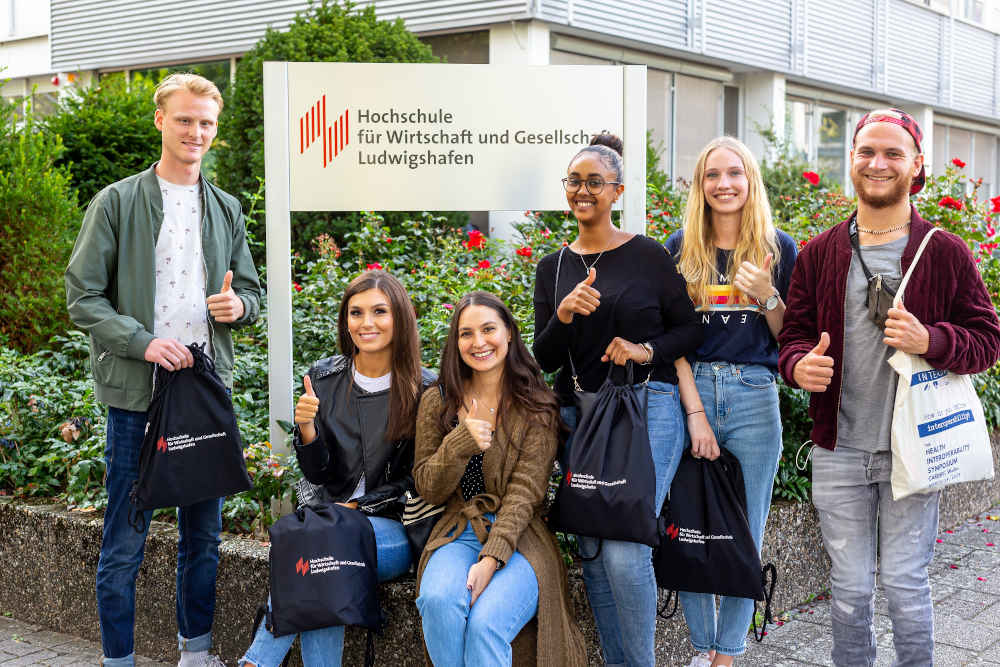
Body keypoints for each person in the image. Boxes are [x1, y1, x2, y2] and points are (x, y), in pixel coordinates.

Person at [778, 108, 1000, 666]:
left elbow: (987, 341)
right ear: (851, 161)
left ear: (917, 164)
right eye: (867, 152)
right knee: (850, 591)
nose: (878, 163)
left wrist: (934, 339)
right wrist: (798, 365)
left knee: (905, 586)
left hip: (916, 447)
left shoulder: (944, 251)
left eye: (893, 153)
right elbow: (795, 336)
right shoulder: (821, 251)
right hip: (840, 449)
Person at [64, 73, 261, 667]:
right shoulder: (118, 201)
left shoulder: (226, 208)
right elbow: (82, 296)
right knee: (126, 542)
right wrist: (142, 341)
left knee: (203, 539)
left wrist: (240, 306)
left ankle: (195, 655)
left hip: (203, 392)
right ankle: (117, 660)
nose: (195, 131)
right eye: (184, 119)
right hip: (136, 396)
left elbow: (251, 291)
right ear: (160, 121)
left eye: (205, 122)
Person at [532, 133, 703, 667]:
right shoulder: (553, 267)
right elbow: (543, 356)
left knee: (627, 549)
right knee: (593, 552)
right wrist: (563, 315)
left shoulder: (648, 256)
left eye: (595, 183)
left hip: (647, 406)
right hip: (581, 415)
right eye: (575, 182)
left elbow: (689, 331)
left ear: (617, 191)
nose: (583, 192)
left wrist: (643, 348)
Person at [241, 270, 435, 667]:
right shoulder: (324, 379)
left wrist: (360, 508)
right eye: (356, 312)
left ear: (400, 316)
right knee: (324, 561)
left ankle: (255, 662)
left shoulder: (425, 389)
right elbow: (318, 475)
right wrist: (308, 428)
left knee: (325, 546)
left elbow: (421, 478)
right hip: (330, 527)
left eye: (379, 311)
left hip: (394, 529)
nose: (367, 323)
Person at [664, 136, 798, 667]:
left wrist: (767, 293)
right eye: (712, 174)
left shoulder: (779, 246)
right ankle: (701, 650)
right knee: (691, 526)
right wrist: (693, 410)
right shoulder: (678, 247)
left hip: (754, 396)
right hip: (691, 392)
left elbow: (792, 339)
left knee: (748, 532)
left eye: (734, 173)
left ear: (751, 181)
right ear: (700, 185)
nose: (724, 183)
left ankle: (728, 656)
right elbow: (669, 340)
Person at [413, 291, 587, 667]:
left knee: (485, 625)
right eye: (465, 334)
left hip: (521, 537)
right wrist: (460, 442)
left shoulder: (536, 405)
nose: (478, 343)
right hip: (457, 530)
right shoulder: (438, 399)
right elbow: (427, 485)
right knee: (439, 601)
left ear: (509, 332)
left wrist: (491, 559)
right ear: (455, 342)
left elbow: (525, 494)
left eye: (488, 329)